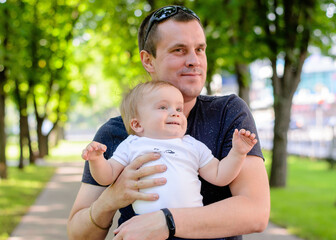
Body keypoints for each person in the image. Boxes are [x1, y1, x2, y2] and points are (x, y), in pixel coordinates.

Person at [67, 5, 270, 240]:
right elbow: (77, 234)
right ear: (148, 60)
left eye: (200, 49)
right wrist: (110, 199)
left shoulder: (228, 113)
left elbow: (255, 213)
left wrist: (167, 221)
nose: (194, 60)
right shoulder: (116, 133)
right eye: (179, 50)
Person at [82, 81, 258, 217]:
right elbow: (107, 176)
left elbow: (220, 175)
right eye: (163, 107)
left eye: (179, 108)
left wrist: (238, 153)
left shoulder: (192, 145)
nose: (175, 113)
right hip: (145, 227)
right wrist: (97, 160)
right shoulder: (132, 144)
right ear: (137, 124)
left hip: (190, 226)